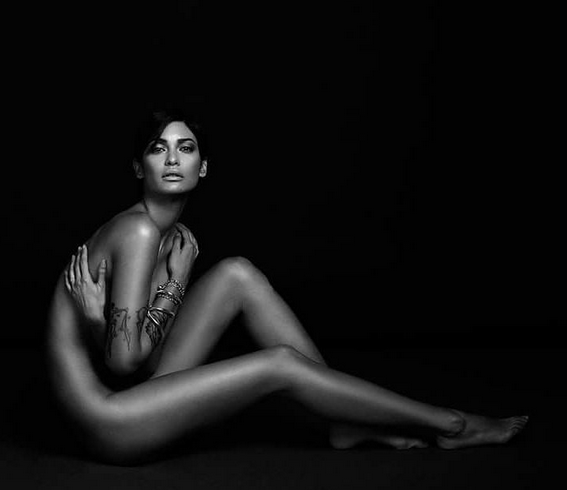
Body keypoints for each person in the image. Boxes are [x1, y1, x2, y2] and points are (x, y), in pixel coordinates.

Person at [44, 108, 529, 466]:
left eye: (185, 148)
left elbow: (142, 360)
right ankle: (450, 423)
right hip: (108, 424)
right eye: (158, 148)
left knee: (237, 273)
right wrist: (173, 284)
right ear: (138, 167)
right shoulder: (138, 231)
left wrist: (106, 320)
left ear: (203, 167)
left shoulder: (171, 237)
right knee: (279, 364)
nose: (172, 159)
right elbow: (124, 362)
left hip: (133, 400)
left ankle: (340, 422)